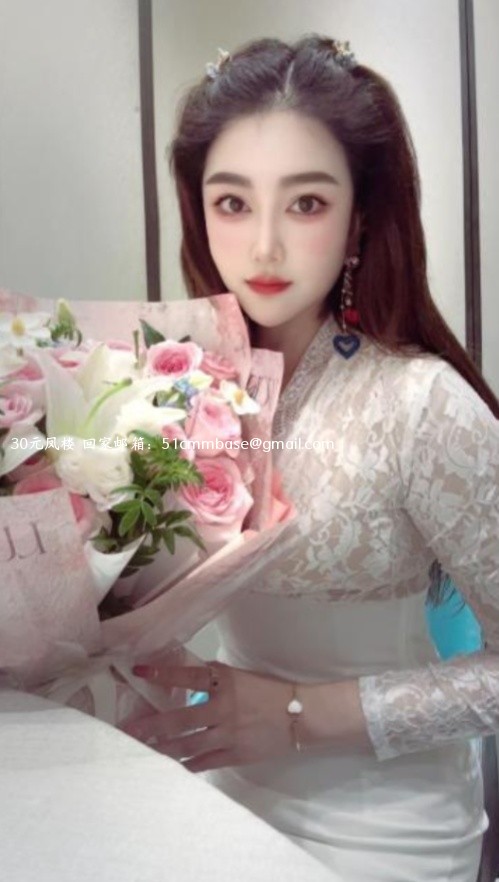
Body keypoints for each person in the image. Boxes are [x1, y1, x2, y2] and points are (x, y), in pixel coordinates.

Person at [127, 35, 499, 881]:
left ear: (359, 215)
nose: (263, 246)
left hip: (383, 821)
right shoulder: (173, 388)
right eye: (232, 202)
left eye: (304, 203)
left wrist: (296, 714)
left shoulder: (421, 403)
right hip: (215, 781)